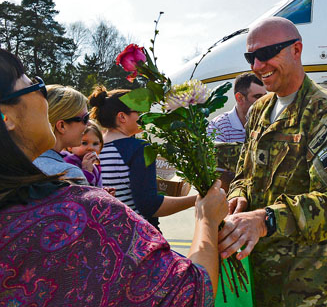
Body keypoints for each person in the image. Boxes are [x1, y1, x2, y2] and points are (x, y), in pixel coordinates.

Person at [0, 48, 228, 305]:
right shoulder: (82, 208)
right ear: (5, 116)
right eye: (35, 86)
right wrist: (206, 216)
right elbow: (191, 293)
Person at [218, 17, 327, 306]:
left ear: (296, 50)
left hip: (305, 286)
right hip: (256, 277)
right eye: (251, 57)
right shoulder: (259, 110)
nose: (257, 66)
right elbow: (244, 174)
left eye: (267, 54)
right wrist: (239, 197)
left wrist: (267, 219)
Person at [89, 86, 197, 230]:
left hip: (109, 234)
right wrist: (197, 200)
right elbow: (150, 205)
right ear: (122, 117)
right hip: (138, 235)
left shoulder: (95, 148)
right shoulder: (138, 148)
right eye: (139, 112)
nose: (144, 116)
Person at [208, 72, 265, 175]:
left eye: (266, 97)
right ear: (240, 98)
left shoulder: (271, 123)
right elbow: (214, 174)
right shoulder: (219, 126)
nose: (265, 102)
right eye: (257, 97)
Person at [33, 84, 90, 185]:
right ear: (62, 126)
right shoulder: (68, 174)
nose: (89, 124)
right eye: (85, 119)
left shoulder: (15, 164)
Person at [207, 72, 266, 142]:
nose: (264, 101)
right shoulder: (218, 127)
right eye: (258, 97)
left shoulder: (270, 122)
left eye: (265, 96)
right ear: (240, 98)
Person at [62, 120, 104, 186]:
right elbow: (77, 189)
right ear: (70, 146)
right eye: (84, 143)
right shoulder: (68, 164)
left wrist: (104, 192)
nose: (90, 148)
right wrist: (86, 171)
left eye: (95, 143)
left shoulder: (95, 167)